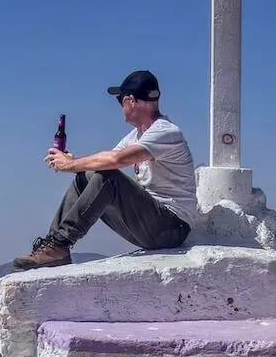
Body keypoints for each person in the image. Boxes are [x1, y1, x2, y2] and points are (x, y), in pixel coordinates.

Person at [13, 70, 197, 271]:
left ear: (130, 101)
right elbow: (104, 162)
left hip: (171, 228)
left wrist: (68, 164)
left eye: (120, 101)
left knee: (107, 177)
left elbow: (116, 160)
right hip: (152, 225)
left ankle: (60, 243)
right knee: (87, 176)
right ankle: (53, 247)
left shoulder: (165, 132)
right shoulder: (136, 136)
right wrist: (75, 163)